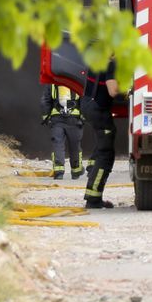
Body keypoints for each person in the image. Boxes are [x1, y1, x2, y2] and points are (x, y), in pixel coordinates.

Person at [80, 55, 119, 210]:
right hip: (99, 110)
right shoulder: (112, 64)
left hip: (88, 105)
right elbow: (113, 91)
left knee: (102, 146)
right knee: (106, 154)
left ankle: (92, 178)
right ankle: (93, 199)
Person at [42, 81, 86, 180]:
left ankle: (59, 172)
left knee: (58, 144)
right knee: (75, 145)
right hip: (74, 119)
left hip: (56, 119)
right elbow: (85, 100)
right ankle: (76, 171)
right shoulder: (78, 82)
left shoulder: (52, 83)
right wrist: (83, 117)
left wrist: (46, 117)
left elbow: (45, 100)